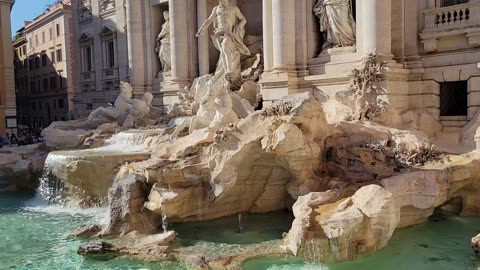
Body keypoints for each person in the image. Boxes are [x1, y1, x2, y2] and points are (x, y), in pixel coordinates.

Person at [196, 0, 250, 84]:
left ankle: (229, 70)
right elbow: (209, 20)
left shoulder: (234, 9)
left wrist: (238, 28)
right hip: (219, 33)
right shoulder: (216, 9)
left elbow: (244, 20)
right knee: (223, 52)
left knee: (225, 47)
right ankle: (226, 71)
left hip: (229, 33)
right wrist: (201, 30)